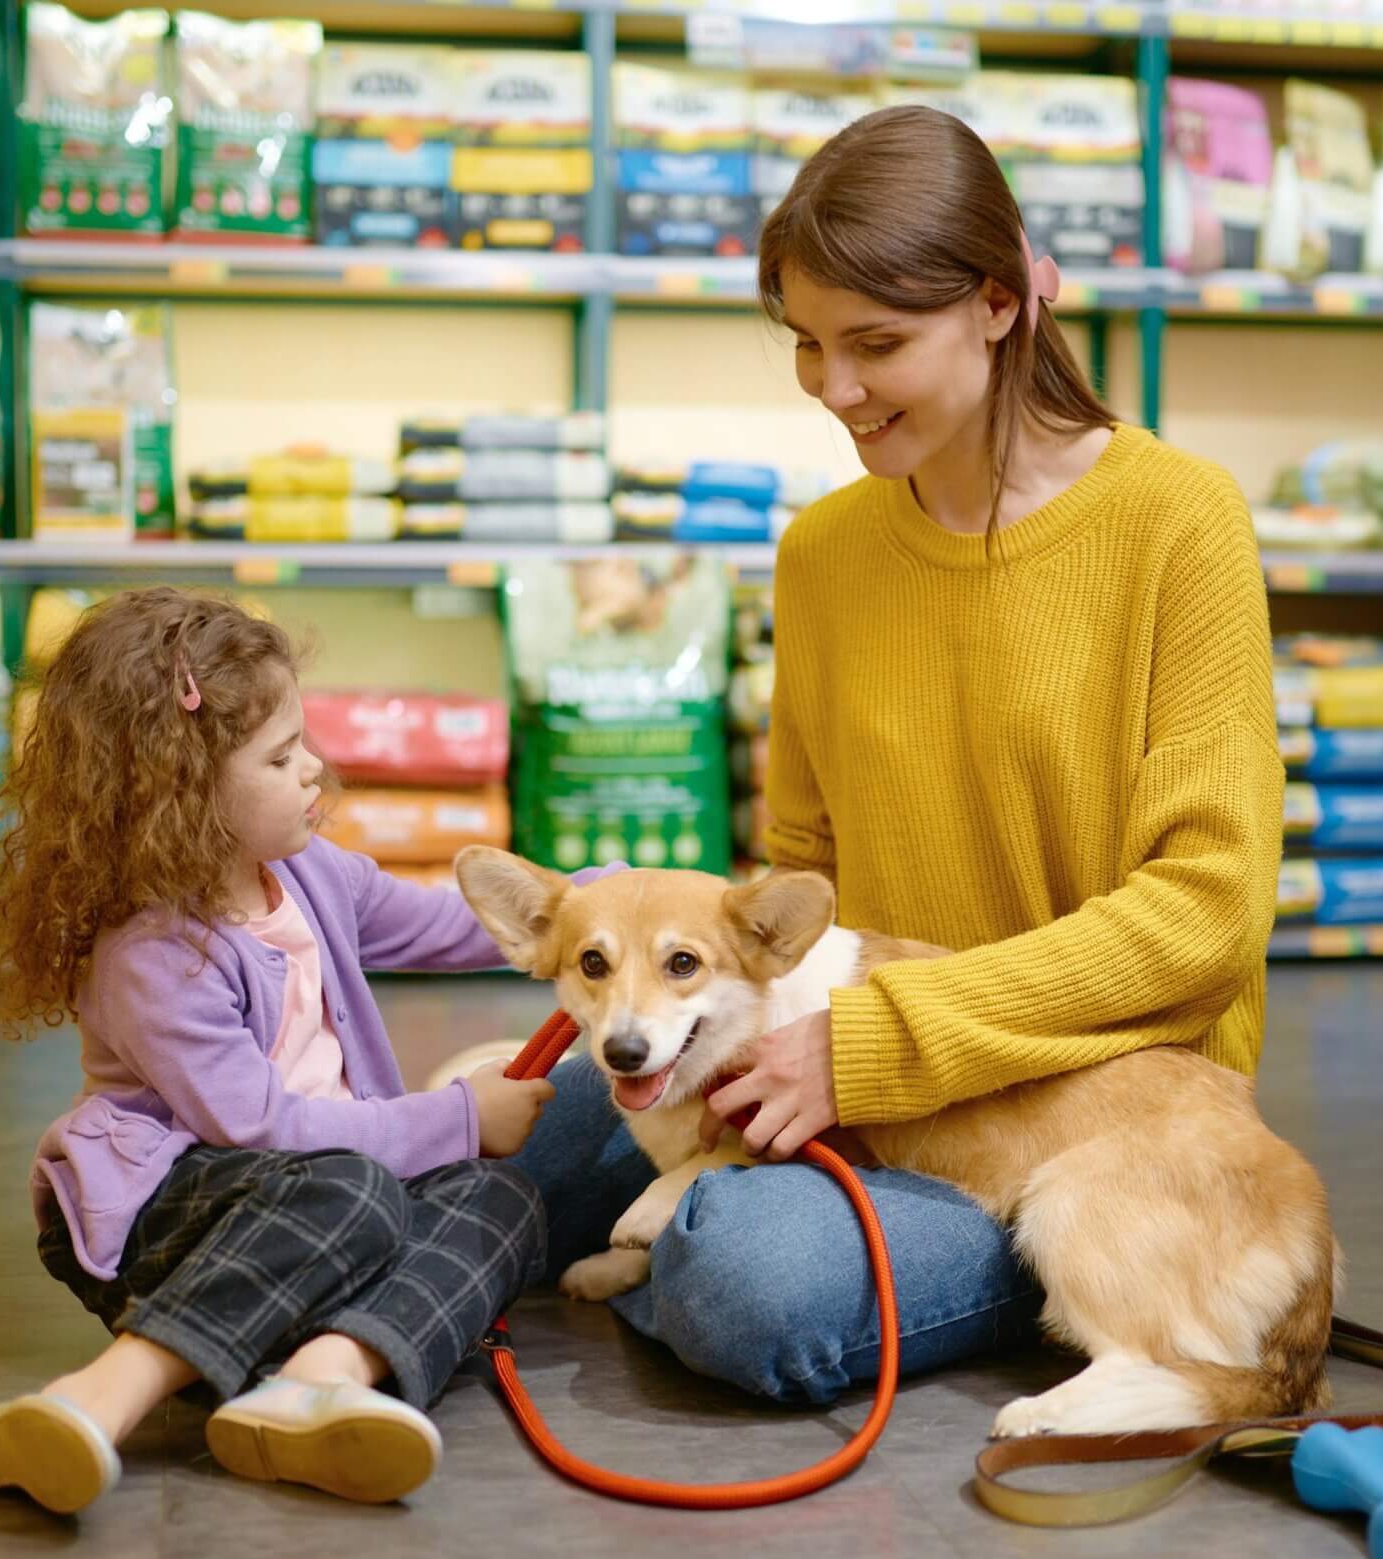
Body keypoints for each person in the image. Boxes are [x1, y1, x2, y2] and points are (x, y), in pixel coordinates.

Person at [511, 105, 1285, 1404]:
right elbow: (803, 873)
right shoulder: (823, 555)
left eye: (877, 345)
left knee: (748, 1284)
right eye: (810, 347)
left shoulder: (1178, 522)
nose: (837, 388)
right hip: (844, 1070)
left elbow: (1206, 917)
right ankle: (309, 1328)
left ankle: (1074, 1280)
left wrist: (876, 1043)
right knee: (523, 1140)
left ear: (1000, 302)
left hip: (1074, 1120)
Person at [0, 588, 555, 1514]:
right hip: (169, 1216)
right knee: (351, 1185)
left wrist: (607, 902)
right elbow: (263, 1128)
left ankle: (317, 1379)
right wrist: (464, 1114)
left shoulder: (309, 872)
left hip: (310, 1194)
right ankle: (108, 1390)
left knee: (500, 1197)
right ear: (179, 796)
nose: (316, 768)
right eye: (281, 757)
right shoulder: (154, 950)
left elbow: (449, 924)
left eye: (303, 740)